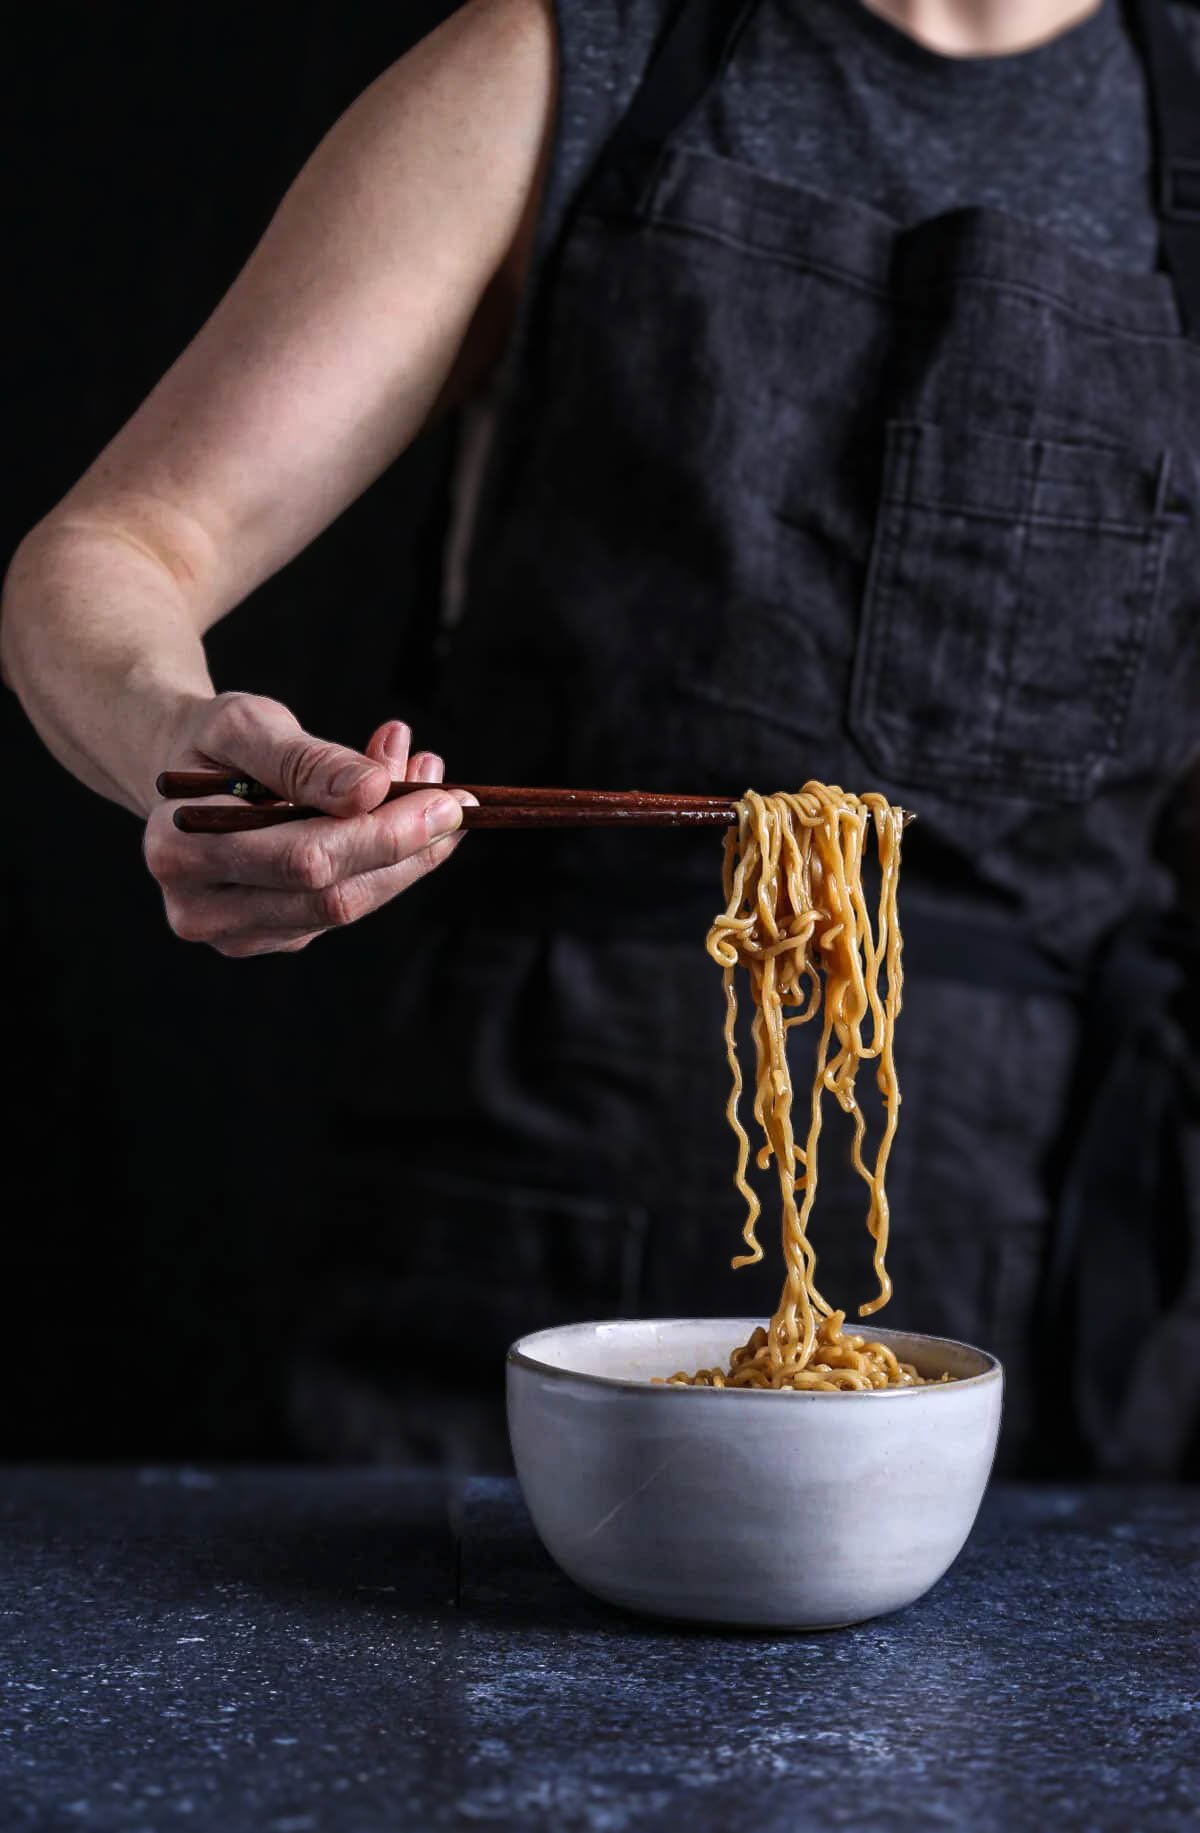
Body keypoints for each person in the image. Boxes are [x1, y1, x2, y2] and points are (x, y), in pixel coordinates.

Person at [4, 0, 1200, 1476]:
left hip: (1053, 1279)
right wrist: (175, 741)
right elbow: (117, 546)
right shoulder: (574, 56)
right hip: (516, 1235)